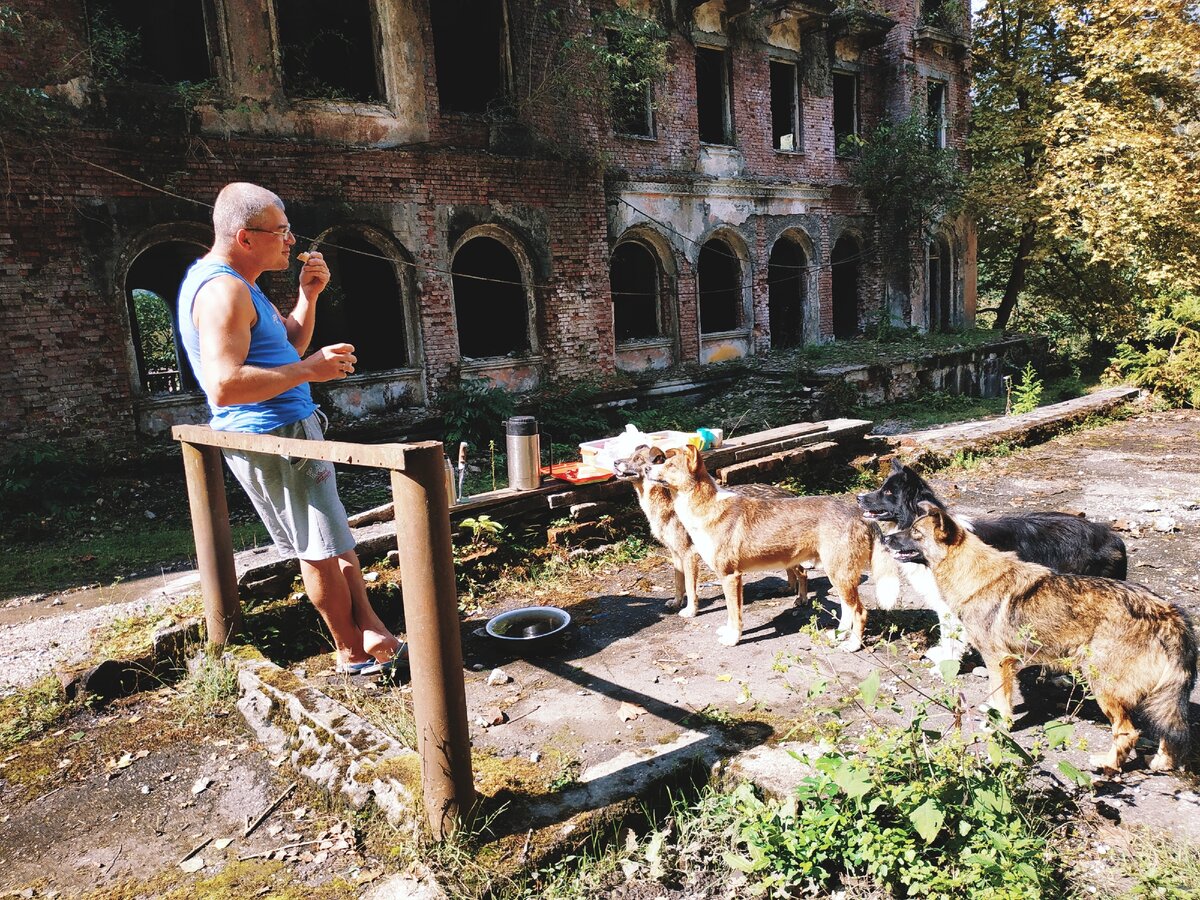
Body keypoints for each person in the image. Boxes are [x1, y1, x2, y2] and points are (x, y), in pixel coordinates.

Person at [178, 182, 404, 674]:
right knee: (318, 549)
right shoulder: (223, 291)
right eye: (280, 231)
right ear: (244, 236)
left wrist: (309, 296)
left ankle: (370, 628)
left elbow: (291, 344)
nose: (290, 240)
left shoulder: (245, 284)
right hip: (276, 437)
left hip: (291, 430)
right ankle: (353, 654)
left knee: (335, 540)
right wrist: (310, 371)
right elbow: (223, 385)